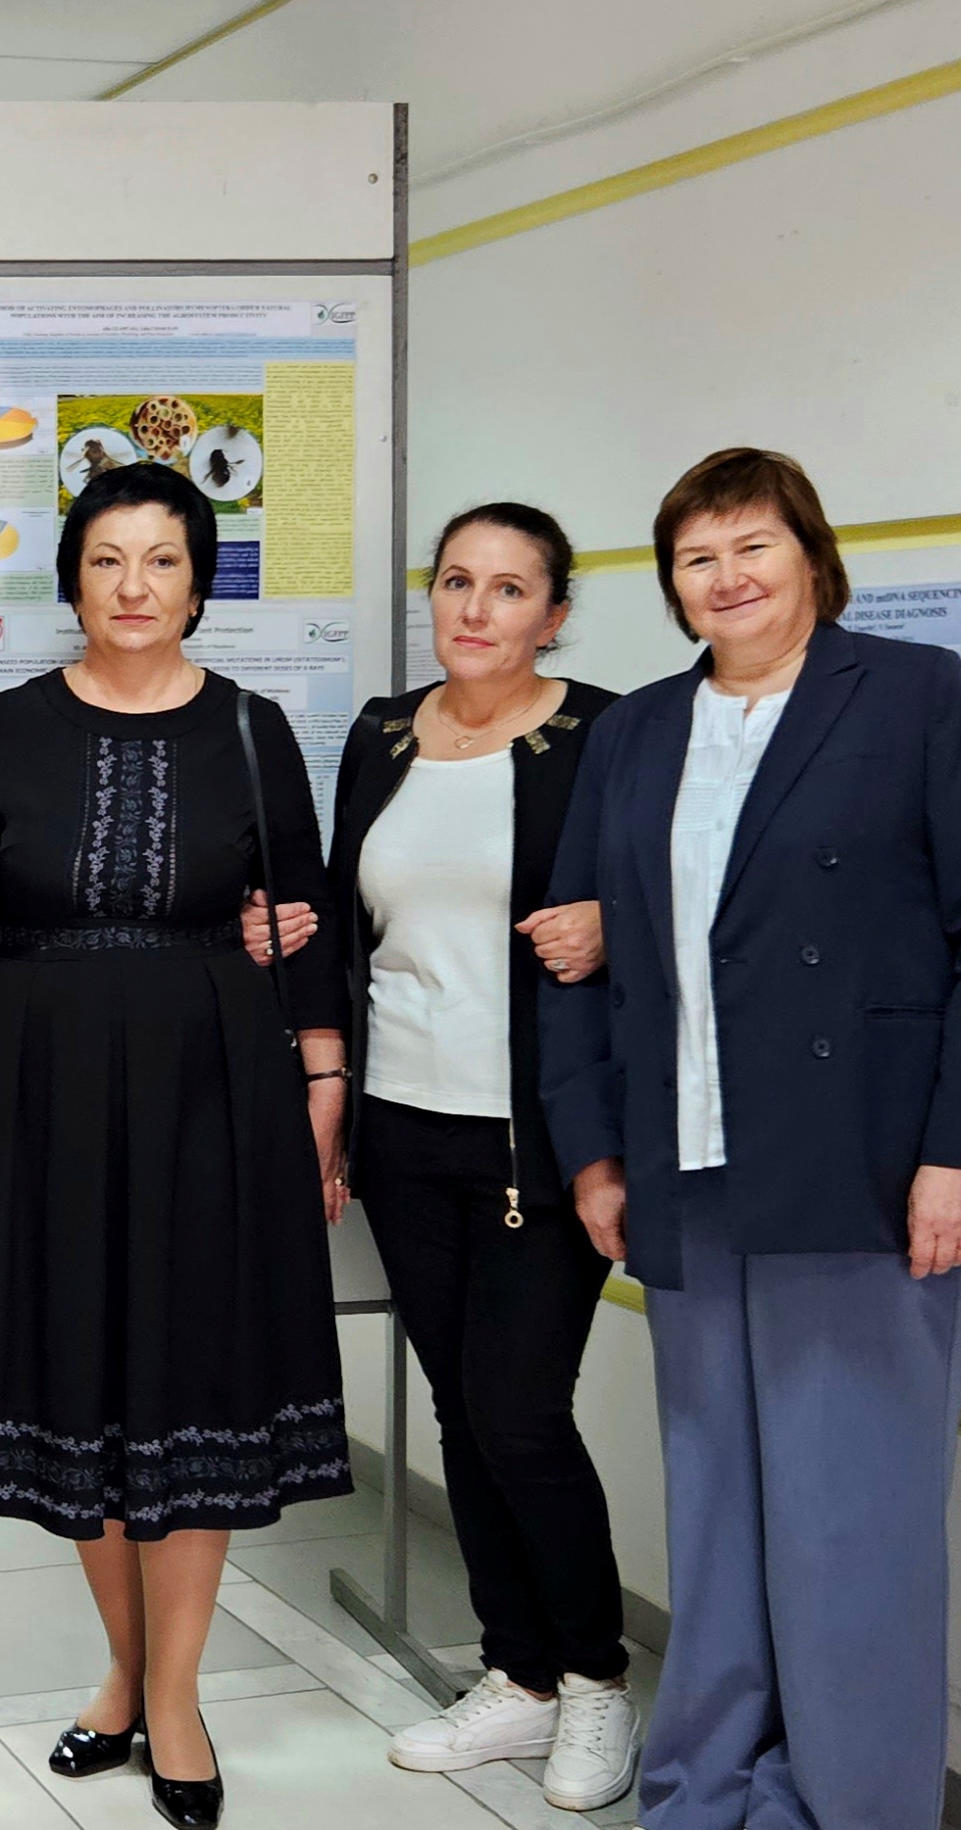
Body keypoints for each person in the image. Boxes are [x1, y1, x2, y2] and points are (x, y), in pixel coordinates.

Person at [0, 463, 351, 1830]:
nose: (135, 586)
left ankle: (175, 1692)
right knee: (81, 1385)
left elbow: (305, 921)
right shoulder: (7, 728)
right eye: (107, 560)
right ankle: (122, 1667)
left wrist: (323, 1089)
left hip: (210, 1091)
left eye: (162, 559)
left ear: (198, 582)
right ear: (73, 580)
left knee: (189, 1380)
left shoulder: (253, 730)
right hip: (38, 1090)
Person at [541, 448, 961, 1830]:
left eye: (750, 547)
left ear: (811, 556)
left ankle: (852, 1802)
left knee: (853, 1514)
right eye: (695, 557)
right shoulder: (637, 731)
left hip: (861, 1169)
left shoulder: (918, 696)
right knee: (713, 1505)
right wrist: (594, 1150)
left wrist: (952, 1154)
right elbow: (579, 955)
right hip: (686, 1164)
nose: (724, 578)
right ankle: (704, 1783)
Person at [246, 505, 634, 1808]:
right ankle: (517, 1674)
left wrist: (615, 920)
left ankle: (595, 1679)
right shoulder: (383, 733)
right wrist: (288, 935)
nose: (475, 608)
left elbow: (684, 899)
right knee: (463, 1413)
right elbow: (345, 914)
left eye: (509, 588)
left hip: (542, 1136)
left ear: (554, 614)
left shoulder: (605, 735)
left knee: (520, 1411)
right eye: (457, 581)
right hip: (402, 1127)